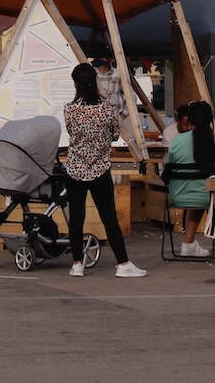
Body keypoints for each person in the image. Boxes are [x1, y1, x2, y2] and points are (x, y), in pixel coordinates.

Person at [63, 62, 147, 278]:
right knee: (109, 217)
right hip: (100, 169)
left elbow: (72, 133)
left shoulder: (70, 109)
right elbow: (114, 135)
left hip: (75, 169)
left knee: (77, 217)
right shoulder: (107, 108)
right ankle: (123, 263)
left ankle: (77, 263)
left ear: (75, 84)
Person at [164, 100, 215, 257]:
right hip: (208, 199)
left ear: (190, 121)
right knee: (205, 193)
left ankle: (188, 244)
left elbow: (169, 166)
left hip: (178, 195)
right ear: (210, 121)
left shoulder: (177, 142)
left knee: (196, 194)